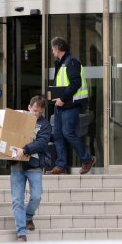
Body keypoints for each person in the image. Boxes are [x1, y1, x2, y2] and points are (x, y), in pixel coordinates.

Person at [46, 37, 96, 175]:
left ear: (58, 48)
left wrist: (62, 98)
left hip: (70, 105)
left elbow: (75, 83)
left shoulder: (71, 62)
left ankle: (87, 160)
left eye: (52, 48)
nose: (52, 51)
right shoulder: (61, 63)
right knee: (58, 135)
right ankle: (60, 165)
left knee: (68, 132)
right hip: (61, 105)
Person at [10, 95, 51, 242]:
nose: (36, 114)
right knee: (17, 199)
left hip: (34, 165)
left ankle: (28, 217)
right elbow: (7, 135)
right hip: (17, 164)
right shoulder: (18, 119)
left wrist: (25, 149)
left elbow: (42, 143)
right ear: (29, 107)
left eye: (39, 112)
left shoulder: (45, 125)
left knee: (36, 196)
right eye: (34, 111)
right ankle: (21, 232)